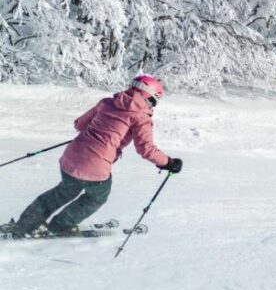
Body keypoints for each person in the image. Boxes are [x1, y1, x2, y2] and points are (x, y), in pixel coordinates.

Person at [2, 75, 183, 238]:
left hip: (71, 157)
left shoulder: (106, 103)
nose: (152, 105)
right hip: (95, 166)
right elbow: (145, 149)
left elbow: (79, 124)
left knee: (63, 191)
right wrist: (168, 163)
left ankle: (25, 224)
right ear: (148, 96)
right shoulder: (141, 117)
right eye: (154, 101)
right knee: (96, 196)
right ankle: (60, 225)